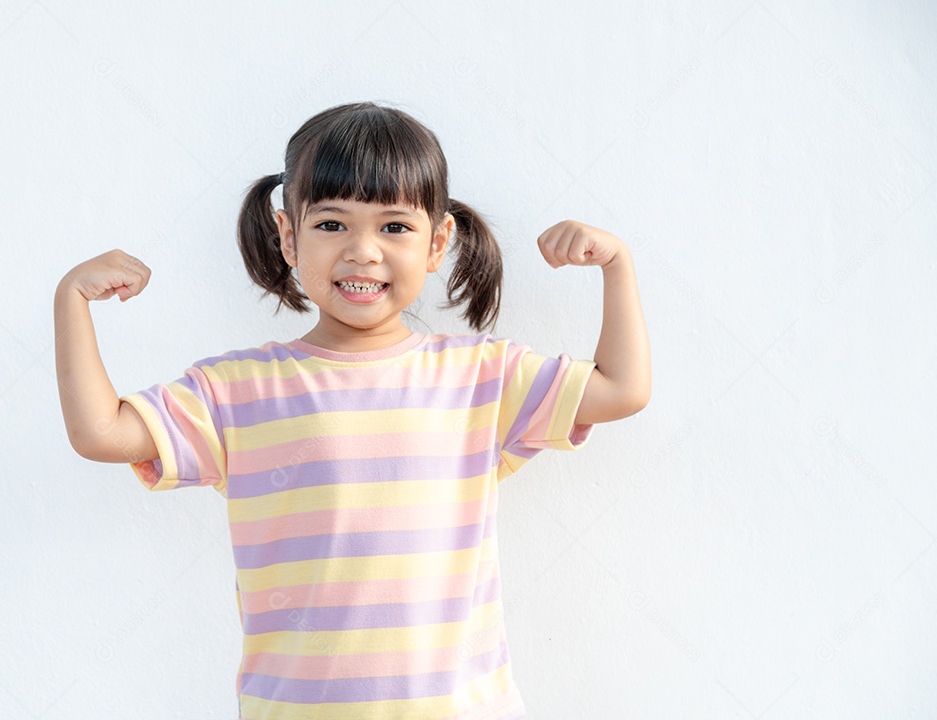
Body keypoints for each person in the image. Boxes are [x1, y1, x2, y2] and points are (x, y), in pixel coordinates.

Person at [55, 101, 651, 719]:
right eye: (332, 224)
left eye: (395, 227)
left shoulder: (482, 377)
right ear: (289, 235)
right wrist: (71, 300)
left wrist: (617, 266)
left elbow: (621, 388)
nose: (364, 251)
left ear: (438, 242)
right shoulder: (236, 392)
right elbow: (101, 432)